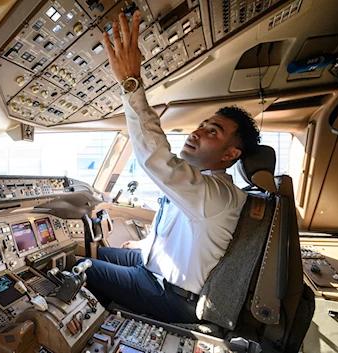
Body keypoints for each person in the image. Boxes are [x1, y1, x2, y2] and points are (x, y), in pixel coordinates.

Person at [80, 10, 260, 323]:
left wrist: (130, 83)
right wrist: (146, 244)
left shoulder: (221, 195)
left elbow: (156, 159)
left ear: (231, 153)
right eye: (202, 124)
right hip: (156, 269)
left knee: (77, 266)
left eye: (212, 131)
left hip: (171, 294)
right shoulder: (200, 187)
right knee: (94, 252)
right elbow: (180, 229)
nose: (196, 132)